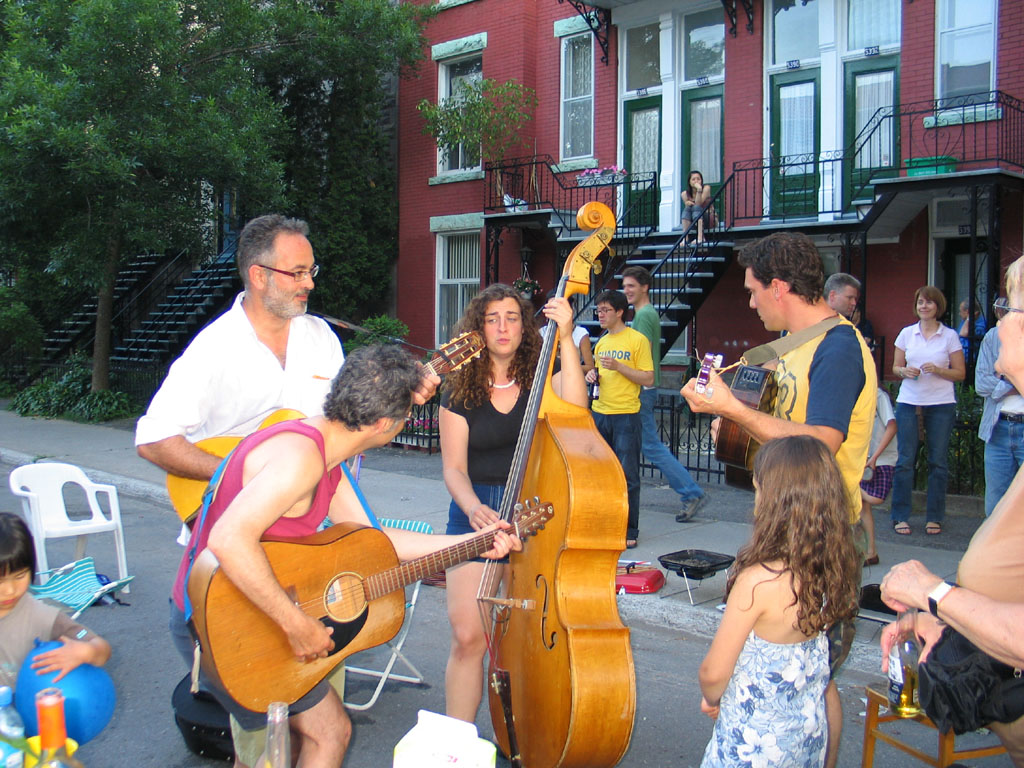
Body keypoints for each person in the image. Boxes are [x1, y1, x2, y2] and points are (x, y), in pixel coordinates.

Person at [169, 345, 521, 767]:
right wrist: (296, 624)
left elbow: (372, 540)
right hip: (229, 619)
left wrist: (474, 542)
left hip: (247, 606)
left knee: (325, 734)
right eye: (406, 416)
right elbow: (227, 540)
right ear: (384, 425)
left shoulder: (324, 450)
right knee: (277, 752)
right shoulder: (300, 459)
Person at [680, 231, 876, 768]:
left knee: (820, 680)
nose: (749, 301)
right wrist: (722, 404)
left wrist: (737, 413)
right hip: (788, 525)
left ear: (780, 287)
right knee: (812, 675)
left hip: (823, 533)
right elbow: (771, 416)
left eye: (752, 290)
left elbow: (821, 442)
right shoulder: (794, 342)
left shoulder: (838, 347)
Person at [439, 283, 587, 723]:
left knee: (524, 637)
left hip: (532, 512)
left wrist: (565, 338)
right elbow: (453, 469)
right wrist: (471, 508)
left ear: (526, 326)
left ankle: (523, 737)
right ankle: (458, 746)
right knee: (469, 636)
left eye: (512, 317)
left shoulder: (540, 380)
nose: (503, 327)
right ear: (478, 329)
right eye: (492, 319)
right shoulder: (459, 388)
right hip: (476, 508)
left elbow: (578, 407)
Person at [698, 436, 860, 768]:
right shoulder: (834, 565)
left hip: (756, 746)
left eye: (758, 489)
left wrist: (713, 695)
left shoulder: (759, 581)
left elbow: (714, 672)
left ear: (775, 500)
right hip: (806, 739)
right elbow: (824, 679)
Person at [621, 265, 708, 522]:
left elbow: (642, 350)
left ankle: (691, 492)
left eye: (631, 286)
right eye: (624, 286)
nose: (626, 290)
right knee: (640, 445)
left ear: (644, 287)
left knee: (650, 446)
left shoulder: (644, 315)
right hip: (644, 388)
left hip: (642, 388)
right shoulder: (643, 314)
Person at [0, 513, 112, 691]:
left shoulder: (43, 617)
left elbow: (99, 645)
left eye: (19, 576)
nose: (10, 590)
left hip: (28, 715)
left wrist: (88, 651)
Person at [891, 286, 965, 536]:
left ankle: (935, 516)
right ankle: (900, 516)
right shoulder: (906, 334)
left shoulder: (950, 336)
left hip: (941, 404)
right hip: (909, 402)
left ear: (938, 307)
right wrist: (905, 372)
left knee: (938, 462)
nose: (924, 306)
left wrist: (939, 370)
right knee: (905, 461)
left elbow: (960, 373)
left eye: (929, 303)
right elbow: (895, 367)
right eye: (920, 302)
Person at [584, 289, 654, 549]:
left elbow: (648, 378)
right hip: (600, 412)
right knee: (600, 473)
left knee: (627, 475)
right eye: (598, 310)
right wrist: (592, 376)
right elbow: (599, 374)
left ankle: (629, 529)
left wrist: (620, 367)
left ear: (620, 312)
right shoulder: (601, 341)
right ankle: (604, 523)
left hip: (625, 414)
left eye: (605, 310)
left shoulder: (636, 340)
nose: (600, 315)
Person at [976, 317, 1024, 517]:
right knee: (995, 509)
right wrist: (1017, 382)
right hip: (997, 429)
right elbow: (981, 383)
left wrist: (1004, 376)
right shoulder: (994, 337)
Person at [860, 387, 898, 567]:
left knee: (874, 498)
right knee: (862, 506)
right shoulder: (849, 393)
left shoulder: (878, 395)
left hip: (881, 457)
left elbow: (892, 426)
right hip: (860, 456)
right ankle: (870, 552)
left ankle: (848, 488)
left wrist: (875, 457)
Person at [681, 170, 712, 243]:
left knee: (696, 207)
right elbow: (688, 211)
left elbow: (699, 203)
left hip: (708, 219)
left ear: (701, 180)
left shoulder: (706, 188)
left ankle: (700, 237)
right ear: (689, 182)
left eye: (698, 179)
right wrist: (687, 203)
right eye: (693, 179)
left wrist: (699, 190)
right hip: (693, 221)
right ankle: (685, 238)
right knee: (687, 208)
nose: (696, 181)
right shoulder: (684, 194)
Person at [959, 298, 987, 365]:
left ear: (967, 312)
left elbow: (963, 334)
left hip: (971, 361)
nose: (959, 314)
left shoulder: (981, 324)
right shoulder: (964, 321)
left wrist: (969, 317)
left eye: (960, 311)